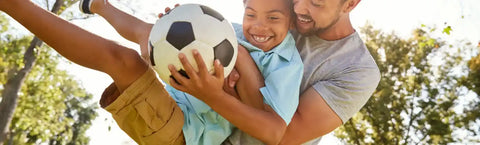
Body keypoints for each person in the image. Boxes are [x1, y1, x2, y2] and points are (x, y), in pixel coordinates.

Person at [0, 0, 301, 145]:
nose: (259, 27)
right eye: (251, 14)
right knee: (150, 34)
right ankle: (99, 5)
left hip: (184, 134)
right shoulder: (230, 30)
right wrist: (173, 27)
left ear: (293, 20)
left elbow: (272, 132)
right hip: (175, 101)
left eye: (273, 18)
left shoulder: (287, 63)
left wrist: (231, 73)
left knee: (123, 60)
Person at [169, 0, 381, 145]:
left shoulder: (357, 68)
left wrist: (239, 64)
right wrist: (175, 27)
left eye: (315, 2)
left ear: (351, 3)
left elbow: (283, 136)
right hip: (200, 134)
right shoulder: (275, 17)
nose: (299, 8)